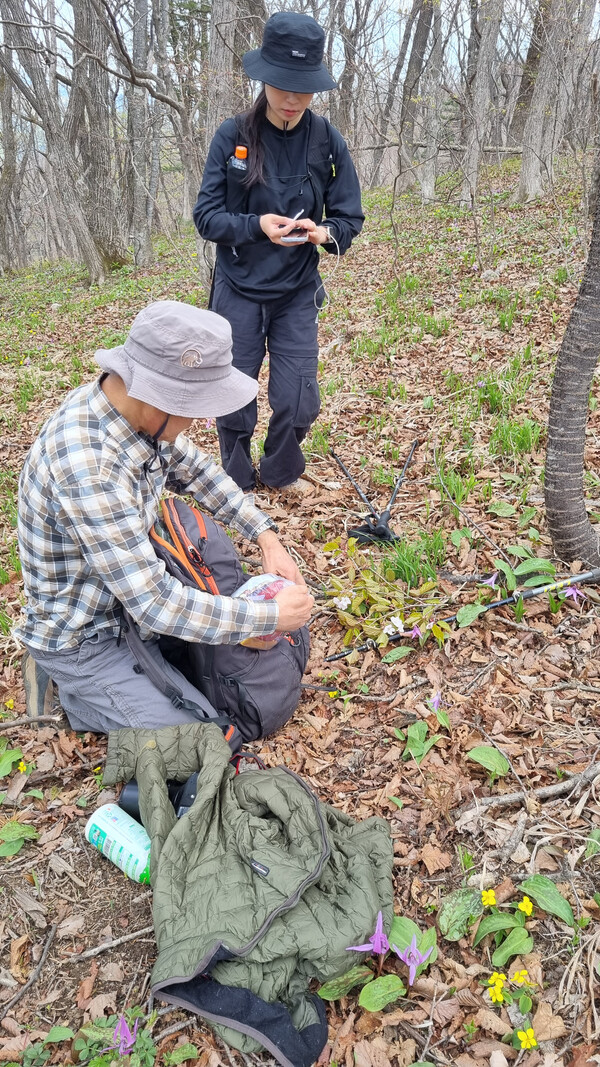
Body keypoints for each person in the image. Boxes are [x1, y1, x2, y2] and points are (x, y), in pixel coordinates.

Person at [15, 300, 314, 734]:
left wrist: (266, 536)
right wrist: (267, 618)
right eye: (195, 409)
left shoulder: (132, 414)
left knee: (221, 687)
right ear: (161, 400)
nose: (197, 421)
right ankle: (72, 691)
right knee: (202, 738)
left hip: (131, 603)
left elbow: (200, 473)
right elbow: (155, 604)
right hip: (88, 636)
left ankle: (139, 678)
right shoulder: (90, 468)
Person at [193, 11, 364, 493]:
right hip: (238, 287)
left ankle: (281, 470)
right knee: (233, 391)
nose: (292, 98)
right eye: (283, 85)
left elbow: (349, 218)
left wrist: (321, 233)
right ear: (263, 76)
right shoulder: (234, 137)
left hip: (296, 289)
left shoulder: (327, 142)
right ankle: (235, 478)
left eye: (303, 87)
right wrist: (257, 226)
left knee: (298, 395)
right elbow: (207, 217)